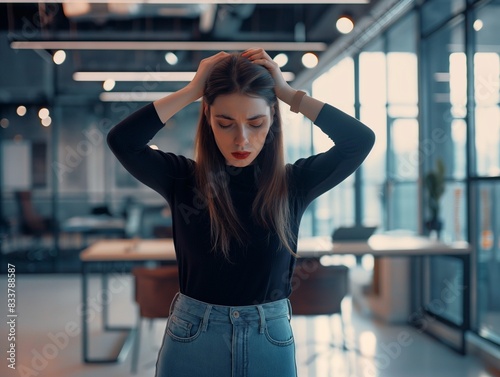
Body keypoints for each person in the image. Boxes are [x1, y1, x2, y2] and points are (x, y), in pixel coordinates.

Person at [107, 48, 375, 377]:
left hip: (269, 337)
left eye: (255, 122)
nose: (241, 139)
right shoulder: (184, 180)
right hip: (194, 336)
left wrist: (289, 94)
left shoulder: (293, 184)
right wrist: (193, 90)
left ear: (273, 119)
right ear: (207, 118)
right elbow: (122, 141)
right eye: (225, 123)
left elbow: (359, 141)